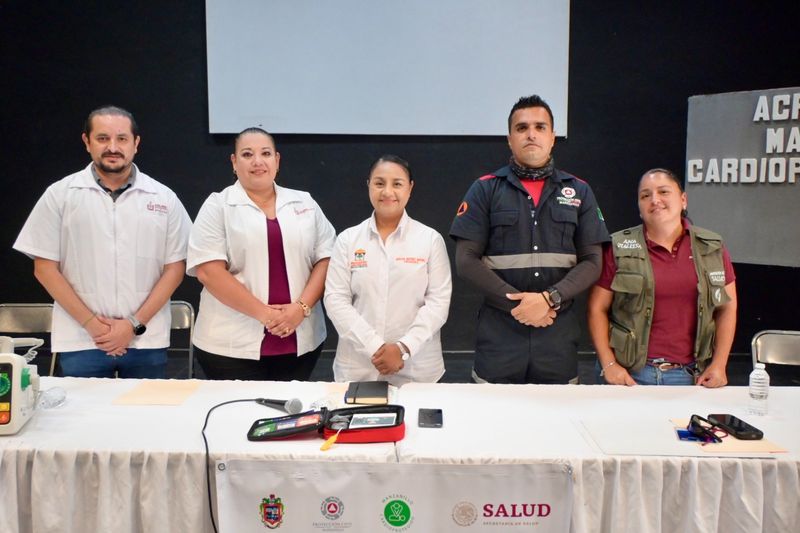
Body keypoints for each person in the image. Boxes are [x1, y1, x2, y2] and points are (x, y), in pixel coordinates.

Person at [13, 106, 192, 378]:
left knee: (147, 417)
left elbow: (175, 268)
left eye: (121, 139)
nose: (113, 147)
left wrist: (132, 325)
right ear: (87, 142)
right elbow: (45, 268)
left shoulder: (164, 198)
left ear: (136, 144)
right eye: (102, 138)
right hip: (82, 339)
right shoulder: (60, 195)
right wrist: (93, 326)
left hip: (145, 340)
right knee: (81, 418)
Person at [449, 94, 610, 384]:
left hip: (557, 336)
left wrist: (550, 299)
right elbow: (465, 261)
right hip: (499, 336)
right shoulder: (484, 189)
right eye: (521, 128)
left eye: (540, 126)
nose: (531, 134)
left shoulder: (580, 191)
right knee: (494, 421)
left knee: (558, 423)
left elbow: (593, 261)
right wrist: (520, 306)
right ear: (510, 139)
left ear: (552, 138)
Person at [187, 127, 336, 381]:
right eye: (247, 154)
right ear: (234, 162)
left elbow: (327, 259)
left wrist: (299, 309)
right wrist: (268, 316)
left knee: (290, 417)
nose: (257, 161)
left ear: (276, 161)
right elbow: (208, 272)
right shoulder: (217, 205)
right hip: (229, 347)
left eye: (265, 153)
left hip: (300, 341)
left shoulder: (305, 203)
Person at [587, 168, 737, 387]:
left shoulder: (712, 248)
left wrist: (719, 364)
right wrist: (609, 365)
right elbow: (596, 309)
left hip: (689, 376)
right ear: (639, 207)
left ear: (683, 200)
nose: (655, 200)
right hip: (629, 375)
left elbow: (727, 308)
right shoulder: (618, 247)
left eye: (663, 192)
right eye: (645, 195)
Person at [324, 155, 452, 385]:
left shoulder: (430, 239)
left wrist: (403, 348)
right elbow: (336, 301)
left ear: (410, 188)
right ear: (369, 186)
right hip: (358, 368)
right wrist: (377, 347)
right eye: (379, 183)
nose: (387, 192)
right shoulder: (348, 240)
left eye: (397, 184)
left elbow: (438, 304)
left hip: (418, 369)